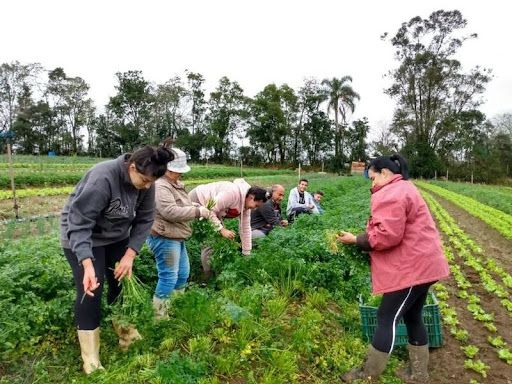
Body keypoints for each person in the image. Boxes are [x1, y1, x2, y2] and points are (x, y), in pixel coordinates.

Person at [60, 145, 174, 374]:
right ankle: (91, 358)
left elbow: (144, 219)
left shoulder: (146, 181)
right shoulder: (102, 179)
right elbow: (79, 223)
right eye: (144, 180)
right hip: (83, 236)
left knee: (121, 284)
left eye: (152, 181)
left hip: (116, 237)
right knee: (91, 290)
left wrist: (130, 254)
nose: (148, 186)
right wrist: (87, 263)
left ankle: (126, 335)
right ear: (132, 167)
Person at [336, 154, 450, 383]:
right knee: (413, 315)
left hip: (413, 268)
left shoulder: (391, 193)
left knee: (386, 316)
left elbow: (387, 235)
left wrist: (357, 239)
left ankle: (367, 374)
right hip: (424, 264)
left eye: (373, 178)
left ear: (385, 174)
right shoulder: (404, 187)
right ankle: (418, 374)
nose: (372, 184)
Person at [146, 148, 210, 320]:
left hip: (176, 235)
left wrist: (194, 206)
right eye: (177, 171)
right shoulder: (160, 185)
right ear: (167, 168)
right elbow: (170, 211)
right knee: (168, 276)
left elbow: (181, 204)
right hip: (164, 236)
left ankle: (175, 306)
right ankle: (159, 316)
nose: (179, 175)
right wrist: (197, 212)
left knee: (182, 273)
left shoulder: (174, 184)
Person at [188, 179, 268, 278]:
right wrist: (221, 229)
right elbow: (209, 210)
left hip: (211, 210)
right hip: (199, 201)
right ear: (251, 197)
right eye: (256, 205)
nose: (255, 209)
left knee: (217, 239)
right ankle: (209, 278)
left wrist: (246, 253)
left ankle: (213, 271)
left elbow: (245, 229)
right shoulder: (232, 193)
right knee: (210, 242)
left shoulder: (246, 207)